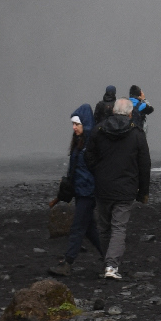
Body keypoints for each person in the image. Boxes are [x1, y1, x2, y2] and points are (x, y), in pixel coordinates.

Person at [86, 90, 151, 280]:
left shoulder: (98, 130)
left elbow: (88, 156)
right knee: (119, 227)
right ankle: (111, 266)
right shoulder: (137, 134)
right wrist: (143, 191)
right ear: (131, 114)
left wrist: (97, 172)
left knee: (105, 228)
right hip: (126, 188)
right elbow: (145, 164)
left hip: (103, 186)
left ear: (113, 111)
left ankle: (108, 263)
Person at [58, 107, 101, 268]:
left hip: (88, 192)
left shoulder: (91, 144)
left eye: (77, 124)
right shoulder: (80, 141)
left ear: (85, 123)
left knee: (77, 227)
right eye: (73, 124)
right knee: (90, 229)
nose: (74, 127)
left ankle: (67, 263)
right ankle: (111, 258)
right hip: (81, 191)